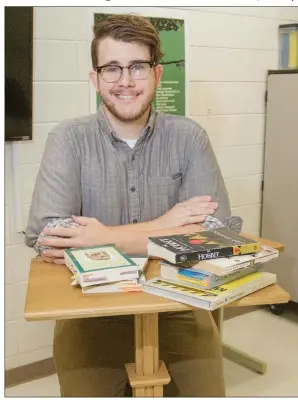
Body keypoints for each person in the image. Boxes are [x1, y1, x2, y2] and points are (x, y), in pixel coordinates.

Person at [25, 14, 233, 397]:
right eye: (112, 69)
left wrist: (107, 238)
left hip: (179, 304)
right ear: (95, 78)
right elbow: (48, 237)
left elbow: (217, 235)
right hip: (87, 310)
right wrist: (167, 223)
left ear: (156, 75)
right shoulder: (68, 140)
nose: (125, 81)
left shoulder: (189, 138)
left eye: (137, 67)